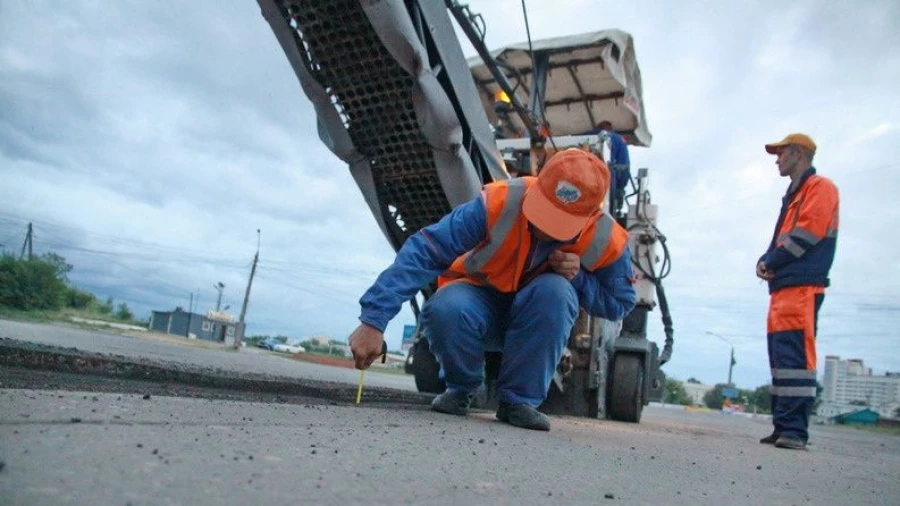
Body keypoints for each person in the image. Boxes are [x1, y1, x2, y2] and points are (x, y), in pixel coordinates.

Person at [349, 149, 636, 431]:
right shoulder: (501, 201)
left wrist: (579, 278)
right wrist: (374, 319)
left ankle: (518, 403)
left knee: (556, 292)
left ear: (590, 216)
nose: (544, 229)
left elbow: (618, 304)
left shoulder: (606, 239)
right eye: (544, 212)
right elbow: (427, 249)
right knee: (445, 307)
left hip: (535, 318)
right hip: (480, 303)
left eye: (558, 223)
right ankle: (462, 389)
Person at [756, 133, 839, 450]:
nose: (777, 160)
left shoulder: (820, 189)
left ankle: (794, 431)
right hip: (784, 288)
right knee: (781, 359)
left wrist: (772, 260)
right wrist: (765, 260)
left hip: (802, 287)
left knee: (796, 359)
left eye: (781, 154)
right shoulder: (794, 194)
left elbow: (806, 234)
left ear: (798, 154)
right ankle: (783, 426)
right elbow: (781, 237)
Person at [586, 120, 630, 216]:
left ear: (596, 128)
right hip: (606, 186)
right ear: (611, 129)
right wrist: (620, 188)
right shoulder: (619, 140)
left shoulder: (584, 136)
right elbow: (624, 168)